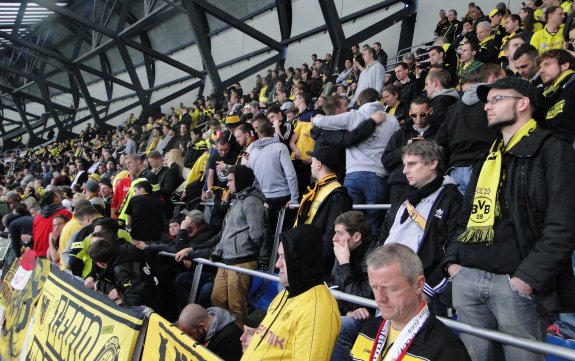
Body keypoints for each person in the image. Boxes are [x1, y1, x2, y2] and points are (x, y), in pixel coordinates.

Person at [444, 77, 575, 361]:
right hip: (468, 277)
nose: (487, 107)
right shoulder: (489, 156)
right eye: (487, 101)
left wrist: (526, 279)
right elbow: (464, 217)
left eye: (496, 100)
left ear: (523, 103)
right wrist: (453, 262)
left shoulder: (552, 149)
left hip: (515, 286)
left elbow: (563, 223)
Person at [379, 140, 462, 315]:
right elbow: (384, 236)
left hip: (418, 292)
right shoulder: (402, 196)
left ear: (433, 163)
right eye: (404, 165)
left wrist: (428, 290)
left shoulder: (452, 199)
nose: (405, 170)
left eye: (412, 164)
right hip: (386, 283)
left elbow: (453, 249)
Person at [350, 243, 471, 361]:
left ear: (418, 284)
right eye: (374, 288)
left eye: (391, 289)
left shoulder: (446, 348)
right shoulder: (370, 328)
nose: (380, 298)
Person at [241, 225, 341, 360]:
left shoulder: (318, 309)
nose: (277, 264)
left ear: (300, 259)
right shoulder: (284, 294)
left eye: (283, 257)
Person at [210, 166, 265, 319]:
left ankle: (240, 338)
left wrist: (244, 248)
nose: (228, 184)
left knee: (237, 306)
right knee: (217, 299)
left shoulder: (252, 201)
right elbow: (228, 230)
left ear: (240, 180)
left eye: (230, 180)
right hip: (226, 260)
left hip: (242, 262)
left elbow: (257, 233)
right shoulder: (238, 200)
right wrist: (218, 251)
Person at [294, 146, 353, 278]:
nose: (311, 165)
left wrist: (314, 261)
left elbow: (332, 235)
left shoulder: (338, 195)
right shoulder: (318, 188)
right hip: (303, 255)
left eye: (313, 162)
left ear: (319, 165)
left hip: (315, 265)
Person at [329, 211, 373, 361]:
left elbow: (363, 301)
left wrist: (345, 264)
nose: (334, 239)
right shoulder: (344, 251)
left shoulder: (374, 259)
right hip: (347, 313)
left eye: (339, 233)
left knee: (339, 326)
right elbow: (333, 288)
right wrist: (345, 311)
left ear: (356, 236)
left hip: (370, 321)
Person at [88, 231, 155, 307]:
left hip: (154, 306)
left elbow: (138, 296)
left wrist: (123, 300)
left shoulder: (122, 271)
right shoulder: (126, 250)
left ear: (102, 264)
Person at [177, 304, 242, 361]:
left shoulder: (230, 339)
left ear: (201, 328)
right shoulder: (204, 331)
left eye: (189, 335)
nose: (187, 339)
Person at [538, 49, 575, 142]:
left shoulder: (573, 86)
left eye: (547, 64)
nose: (541, 71)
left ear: (565, 65)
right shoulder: (550, 94)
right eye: (540, 67)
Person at [32, 191, 73, 257]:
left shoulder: (37, 218)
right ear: (55, 199)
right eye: (58, 196)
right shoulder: (65, 213)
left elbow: (34, 237)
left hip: (39, 256)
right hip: (56, 255)